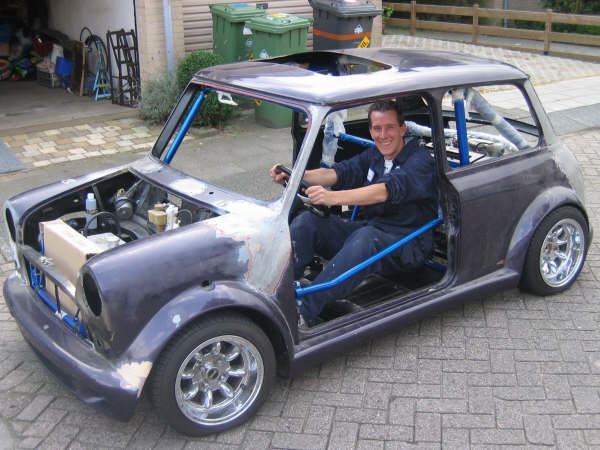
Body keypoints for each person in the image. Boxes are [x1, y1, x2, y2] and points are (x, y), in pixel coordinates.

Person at [270, 100, 438, 327]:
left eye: (389, 128)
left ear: (402, 129)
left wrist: (332, 198)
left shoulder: (420, 161)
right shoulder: (375, 155)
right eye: (377, 129)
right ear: (371, 131)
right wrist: (296, 174)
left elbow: (385, 191)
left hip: (407, 244)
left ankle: (302, 311)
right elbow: (339, 172)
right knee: (308, 222)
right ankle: (277, 290)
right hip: (372, 231)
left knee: (366, 238)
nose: (383, 135)